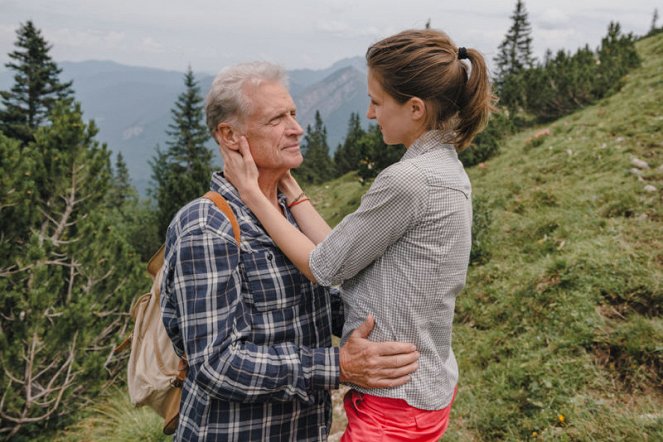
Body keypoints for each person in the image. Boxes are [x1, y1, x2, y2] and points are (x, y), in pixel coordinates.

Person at [221, 29, 496, 441]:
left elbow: (323, 266)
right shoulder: (444, 169)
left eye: (377, 101)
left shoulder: (410, 180)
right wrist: (289, 188)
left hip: (395, 405)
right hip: (421, 392)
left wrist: (253, 195)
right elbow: (345, 253)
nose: (370, 113)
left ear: (416, 108)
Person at [159, 61, 420, 442]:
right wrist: (339, 365)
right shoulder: (206, 226)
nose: (296, 128)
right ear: (230, 136)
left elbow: (327, 306)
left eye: (293, 114)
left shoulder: (288, 215)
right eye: (276, 120)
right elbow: (217, 364)